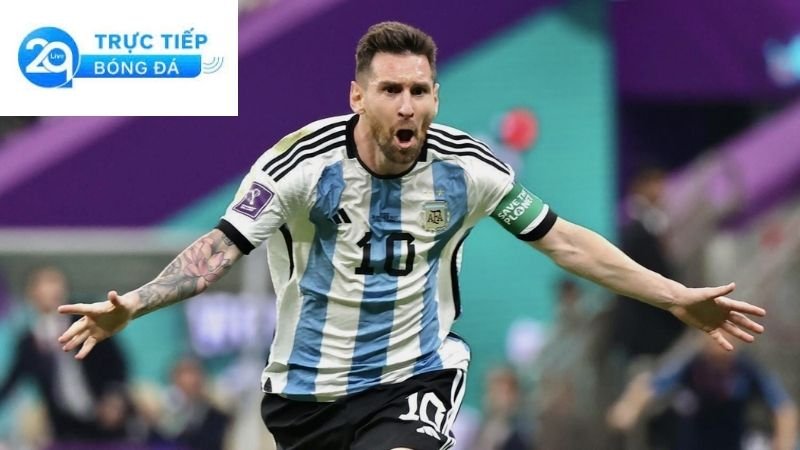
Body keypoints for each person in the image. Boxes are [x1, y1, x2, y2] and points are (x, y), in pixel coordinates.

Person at [57, 21, 766, 450]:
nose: (407, 105)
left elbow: (566, 242)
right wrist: (134, 305)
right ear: (357, 96)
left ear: (435, 97)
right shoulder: (299, 166)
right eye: (390, 90)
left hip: (412, 375)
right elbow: (215, 252)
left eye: (419, 91)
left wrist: (676, 297)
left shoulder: (469, 170)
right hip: (304, 396)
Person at [0, 266, 132, 444]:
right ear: (31, 293)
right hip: (66, 427)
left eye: (56, 282)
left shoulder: (88, 321)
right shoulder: (29, 343)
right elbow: (11, 382)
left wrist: (114, 398)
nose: (53, 289)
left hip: (106, 415)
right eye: (45, 283)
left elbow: (117, 362)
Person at [607, 335, 798, 450]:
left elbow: (784, 407)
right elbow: (651, 385)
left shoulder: (747, 369)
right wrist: (628, 408)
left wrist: (783, 442)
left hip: (732, 442)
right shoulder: (691, 364)